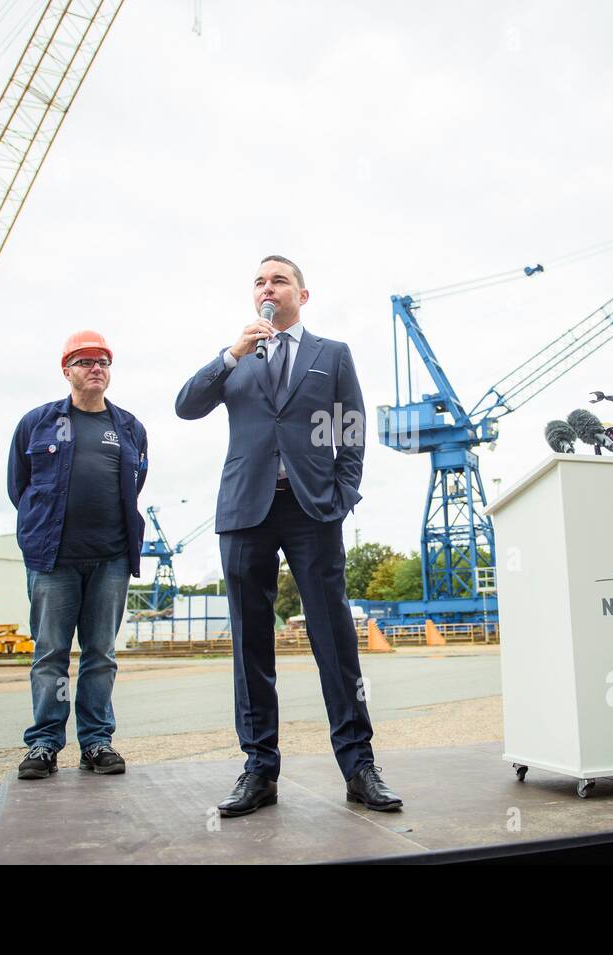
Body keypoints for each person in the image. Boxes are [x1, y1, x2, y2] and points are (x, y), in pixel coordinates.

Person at [175, 255, 402, 816]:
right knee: (252, 643)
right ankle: (259, 770)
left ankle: (358, 766)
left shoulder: (332, 355)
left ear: (303, 294)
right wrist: (230, 354)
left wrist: (342, 495)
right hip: (244, 510)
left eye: (279, 280)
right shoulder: (238, 358)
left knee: (334, 640)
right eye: (260, 282)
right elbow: (186, 407)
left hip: (311, 510)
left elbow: (352, 427)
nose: (268, 288)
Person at [7, 330, 148, 779]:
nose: (96, 369)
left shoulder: (128, 428)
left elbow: (134, 485)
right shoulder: (38, 423)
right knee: (50, 653)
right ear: (66, 370)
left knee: (100, 653)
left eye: (103, 362)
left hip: (110, 560)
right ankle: (45, 744)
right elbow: (19, 487)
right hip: (53, 560)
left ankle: (96, 743)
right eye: (86, 362)